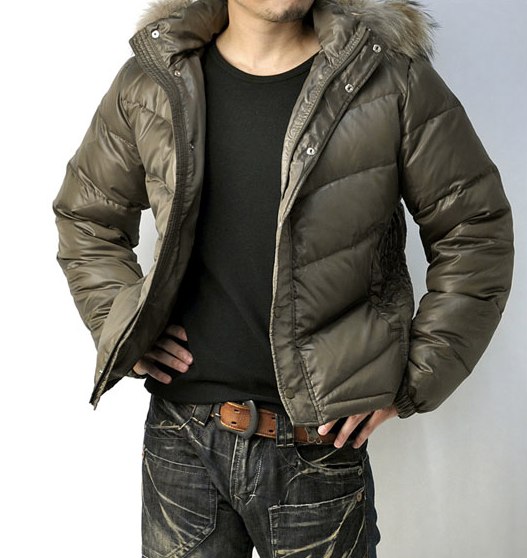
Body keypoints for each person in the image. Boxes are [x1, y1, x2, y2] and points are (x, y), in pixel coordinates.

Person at [53, 0, 514, 556]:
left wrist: (414, 379)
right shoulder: (155, 77)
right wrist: (124, 327)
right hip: (182, 442)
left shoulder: (388, 78)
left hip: (319, 447)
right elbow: (87, 216)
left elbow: (475, 230)